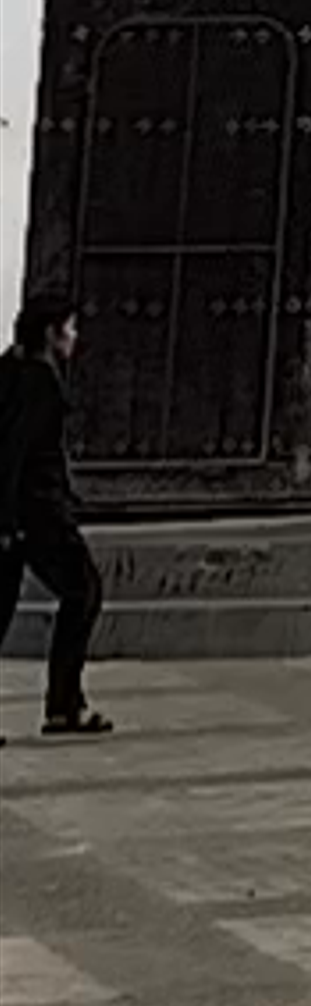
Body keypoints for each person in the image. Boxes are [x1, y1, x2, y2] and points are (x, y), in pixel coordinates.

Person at [1, 286, 112, 739]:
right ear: (51, 333)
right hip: (34, 514)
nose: (74, 336)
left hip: (19, 511)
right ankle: (63, 704)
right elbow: (13, 452)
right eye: (68, 327)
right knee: (83, 591)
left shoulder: (8, 370)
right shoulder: (39, 382)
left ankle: (65, 703)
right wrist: (8, 520)